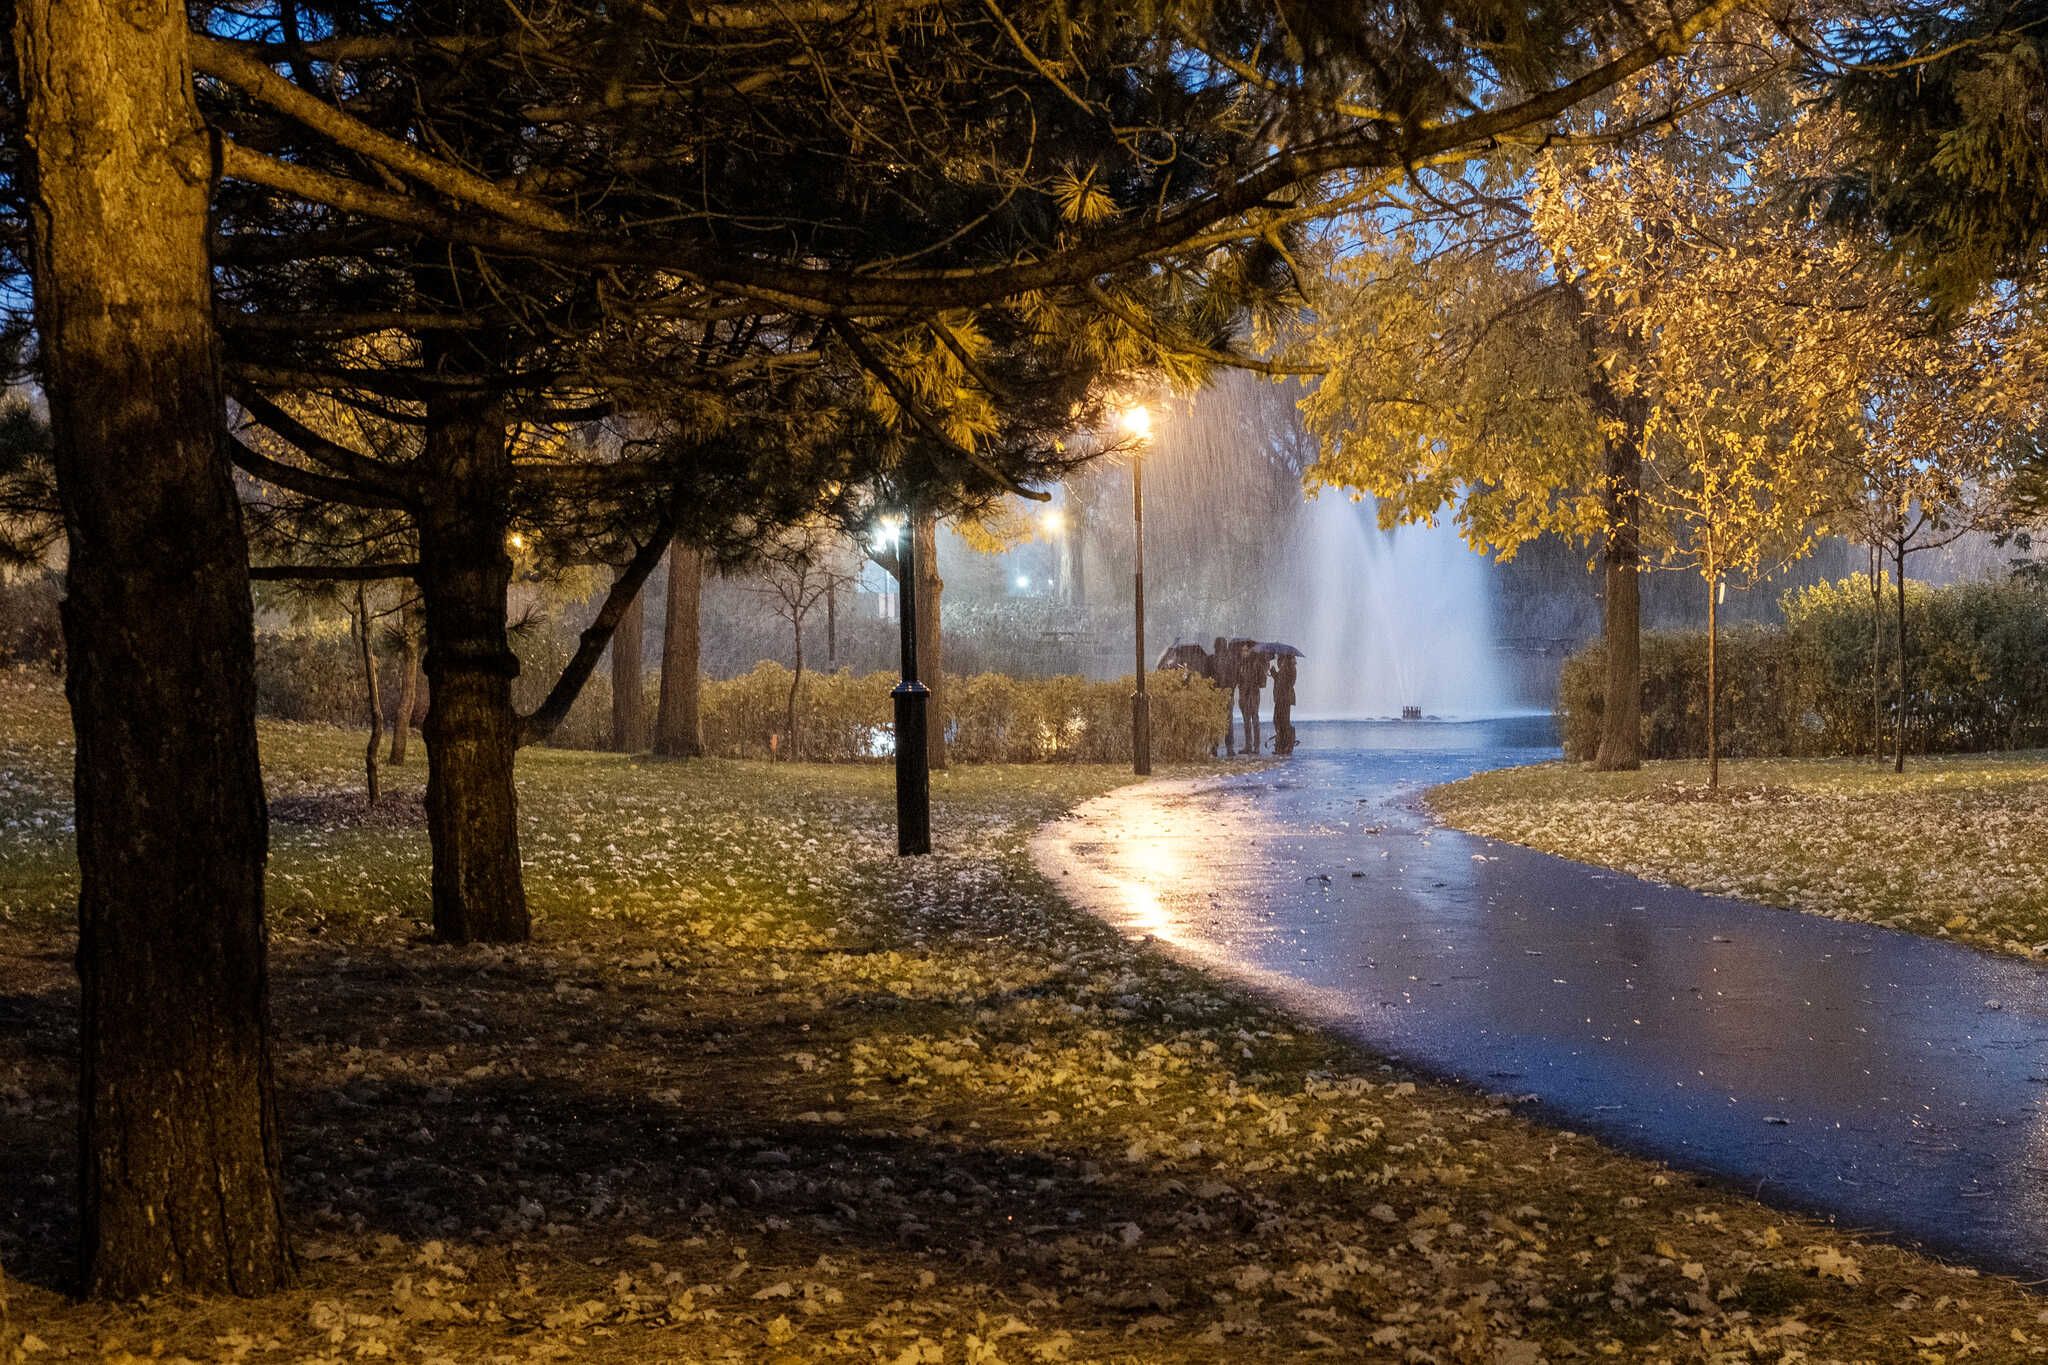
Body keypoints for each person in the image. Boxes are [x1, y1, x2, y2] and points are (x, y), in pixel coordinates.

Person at [1234, 638, 1268, 755]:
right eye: (1242, 651)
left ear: (1250, 651)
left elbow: (1262, 682)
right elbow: (1237, 679)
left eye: (1246, 651)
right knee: (1246, 721)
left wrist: (1254, 684)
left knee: (1255, 720)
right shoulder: (1240, 664)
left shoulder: (1256, 663)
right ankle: (1248, 746)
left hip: (1253, 694)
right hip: (1243, 694)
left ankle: (1256, 746)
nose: (1243, 653)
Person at [1209, 636, 1238, 755]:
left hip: (1219, 694)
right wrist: (1230, 689)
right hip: (1225, 694)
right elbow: (1234, 677)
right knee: (1227, 720)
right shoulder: (1231, 659)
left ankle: (1215, 747)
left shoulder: (1212, 659)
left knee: (1217, 720)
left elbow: (1208, 677)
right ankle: (1228, 747)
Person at [1272, 653, 1297, 756]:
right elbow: (1280, 681)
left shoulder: (1289, 667)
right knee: (1278, 721)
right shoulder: (1285, 668)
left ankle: (1286, 745)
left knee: (1283, 722)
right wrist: (1274, 673)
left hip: (1284, 699)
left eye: (1279, 659)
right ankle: (1282, 745)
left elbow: (1286, 683)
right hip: (1281, 698)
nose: (1278, 661)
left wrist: (1276, 674)